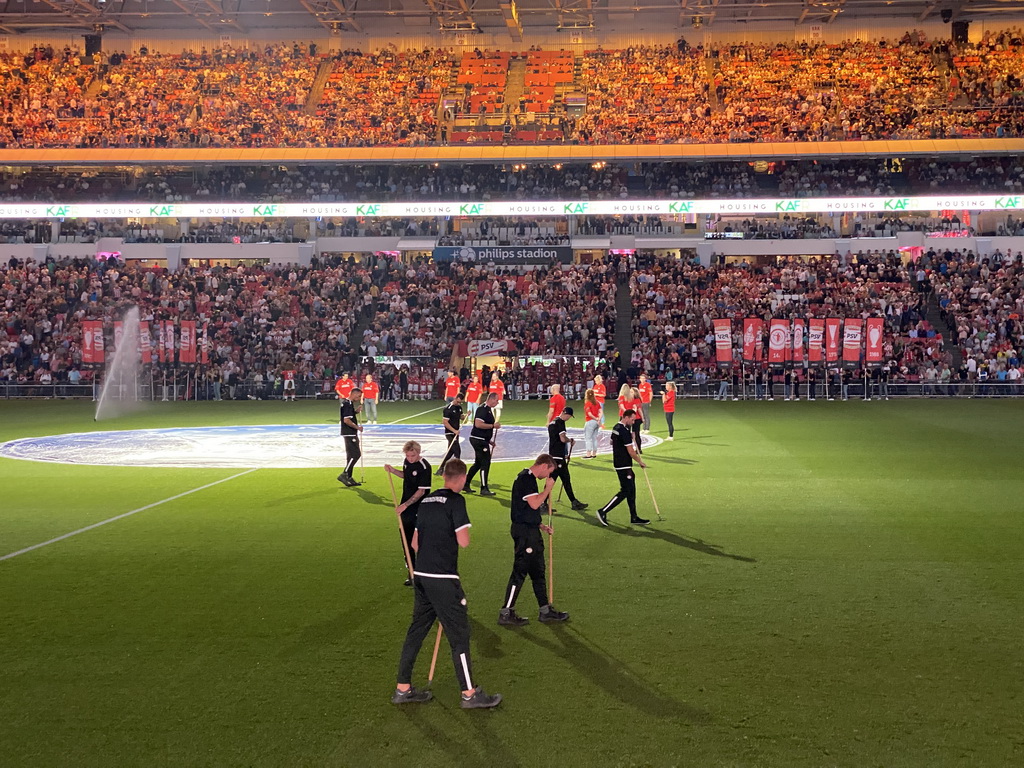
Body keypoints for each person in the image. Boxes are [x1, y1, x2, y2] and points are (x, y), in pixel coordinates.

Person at [393, 459, 502, 709]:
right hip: (444, 579)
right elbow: (464, 541)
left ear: (444, 476)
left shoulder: (426, 501)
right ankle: (469, 694)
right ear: (462, 478)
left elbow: (415, 544)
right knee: (460, 636)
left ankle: (403, 688)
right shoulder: (456, 501)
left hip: (421, 576)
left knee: (416, 631)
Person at [497, 454, 570, 627]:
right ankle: (506, 612)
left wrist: (539, 525)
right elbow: (535, 504)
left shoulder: (526, 478)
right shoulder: (527, 479)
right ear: (544, 465)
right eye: (549, 471)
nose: (547, 476)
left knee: (538, 572)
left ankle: (545, 610)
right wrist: (547, 489)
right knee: (519, 573)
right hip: (525, 535)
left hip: (530, 532)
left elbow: (525, 509)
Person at [385, 441, 432, 586]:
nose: (410, 458)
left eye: (413, 455)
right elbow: (406, 475)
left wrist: (405, 505)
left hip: (420, 508)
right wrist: (393, 471)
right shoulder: (407, 461)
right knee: (405, 539)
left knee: (419, 541)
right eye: (408, 455)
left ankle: (425, 573)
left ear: (419, 453)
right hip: (406, 508)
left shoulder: (425, 467)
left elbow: (421, 491)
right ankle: (412, 572)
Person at [596, 409, 650, 527]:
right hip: (624, 464)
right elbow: (631, 451)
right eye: (632, 419)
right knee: (625, 490)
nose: (633, 421)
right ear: (625, 417)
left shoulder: (616, 427)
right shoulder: (624, 431)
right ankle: (603, 511)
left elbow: (611, 442)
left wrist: (629, 437)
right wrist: (640, 461)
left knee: (631, 490)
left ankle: (634, 516)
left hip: (620, 463)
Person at [547, 406, 587, 511]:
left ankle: (544, 503)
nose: (568, 418)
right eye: (569, 416)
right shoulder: (560, 423)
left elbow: (555, 439)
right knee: (565, 479)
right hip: (558, 457)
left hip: (553, 455)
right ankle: (574, 502)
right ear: (567, 414)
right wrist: (570, 441)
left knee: (554, 480)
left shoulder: (552, 423)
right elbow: (562, 438)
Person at [464, 392, 500, 496]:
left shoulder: (488, 410)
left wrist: (489, 441)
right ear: (492, 399)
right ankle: (484, 488)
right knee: (485, 463)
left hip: (481, 439)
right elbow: (478, 424)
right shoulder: (482, 409)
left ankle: (466, 483)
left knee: (478, 463)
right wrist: (493, 426)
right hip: (478, 440)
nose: (497, 402)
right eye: (496, 400)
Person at [337, 386, 363, 487]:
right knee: (355, 454)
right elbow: (347, 420)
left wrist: (356, 412)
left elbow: (349, 415)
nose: (359, 398)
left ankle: (349, 476)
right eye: (359, 396)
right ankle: (345, 474)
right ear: (355, 394)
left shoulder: (348, 403)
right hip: (350, 433)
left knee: (350, 456)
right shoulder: (347, 404)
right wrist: (357, 427)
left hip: (348, 433)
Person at [436, 391, 465, 476]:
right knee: (457, 450)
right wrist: (454, 430)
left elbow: (461, 417)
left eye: (460, 402)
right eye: (458, 401)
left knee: (450, 452)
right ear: (455, 398)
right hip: (449, 433)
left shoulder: (459, 408)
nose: (458, 403)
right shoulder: (448, 409)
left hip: (456, 433)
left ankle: (441, 468)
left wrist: (466, 415)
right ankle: (458, 470)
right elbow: (445, 422)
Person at [582, 388, 601, 458]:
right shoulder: (597, 402)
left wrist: (595, 418)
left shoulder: (588, 403)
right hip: (596, 422)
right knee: (594, 438)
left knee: (588, 438)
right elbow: (601, 411)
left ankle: (588, 454)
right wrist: (598, 419)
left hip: (590, 421)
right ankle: (594, 453)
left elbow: (589, 414)